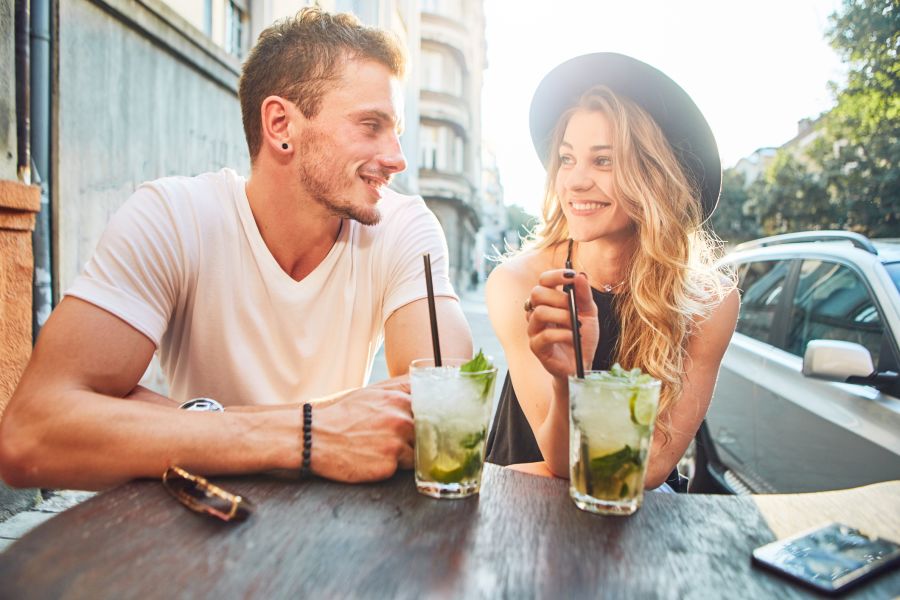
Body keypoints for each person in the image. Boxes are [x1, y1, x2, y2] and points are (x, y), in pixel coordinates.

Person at [0, 8, 472, 491]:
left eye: (396, 131)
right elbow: (30, 436)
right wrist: (313, 433)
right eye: (371, 125)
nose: (397, 158)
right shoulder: (174, 217)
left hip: (337, 533)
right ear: (281, 124)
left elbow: (443, 422)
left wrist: (180, 420)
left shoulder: (404, 227)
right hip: (203, 528)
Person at [483, 53, 739, 491]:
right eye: (567, 159)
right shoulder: (519, 283)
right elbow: (565, 463)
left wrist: (523, 474)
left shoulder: (710, 302)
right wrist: (568, 381)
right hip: (521, 519)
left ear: (655, 177)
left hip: (631, 526)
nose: (576, 181)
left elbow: (652, 467)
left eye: (603, 161)